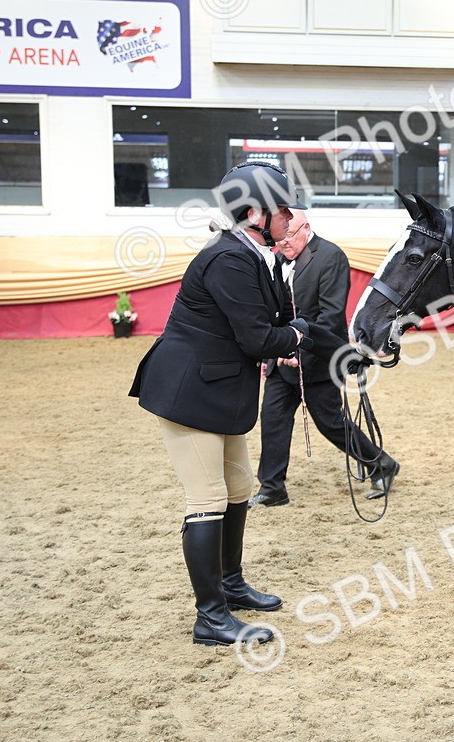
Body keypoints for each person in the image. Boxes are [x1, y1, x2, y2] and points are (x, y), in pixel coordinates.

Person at [129, 161, 339, 647]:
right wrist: (300, 335)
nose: (290, 218)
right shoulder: (228, 258)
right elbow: (260, 338)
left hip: (218, 387)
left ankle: (230, 584)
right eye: (282, 210)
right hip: (191, 392)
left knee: (240, 486)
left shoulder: (254, 254)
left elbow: (279, 317)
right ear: (255, 213)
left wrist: (306, 326)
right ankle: (210, 617)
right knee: (206, 499)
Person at [250, 214, 399, 507]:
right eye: (280, 236)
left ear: (306, 228)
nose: (283, 242)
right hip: (281, 360)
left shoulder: (331, 256)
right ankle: (272, 487)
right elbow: (274, 314)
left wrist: (300, 352)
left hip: (319, 359)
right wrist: (271, 353)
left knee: (330, 423)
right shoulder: (276, 260)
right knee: (273, 419)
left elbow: (330, 317)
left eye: (290, 235)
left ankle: (382, 464)